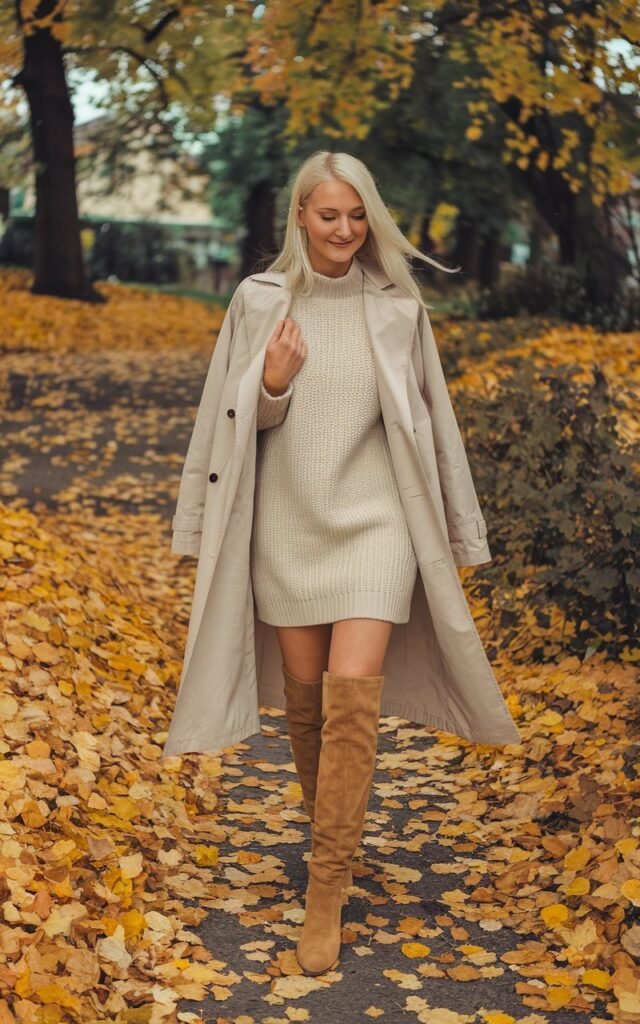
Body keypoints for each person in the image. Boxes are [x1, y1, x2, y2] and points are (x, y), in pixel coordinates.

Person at [247, 151, 460, 976]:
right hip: (288, 522)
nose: (343, 229)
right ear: (299, 216)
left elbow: (431, 427)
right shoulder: (259, 303)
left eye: (357, 215)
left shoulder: (398, 309)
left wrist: (453, 536)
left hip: (377, 524)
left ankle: (325, 894)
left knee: (350, 704)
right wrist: (271, 382)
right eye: (328, 214)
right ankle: (330, 839)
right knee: (308, 714)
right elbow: (233, 423)